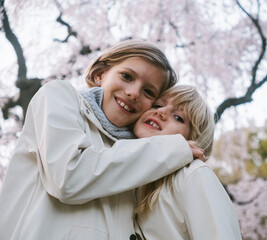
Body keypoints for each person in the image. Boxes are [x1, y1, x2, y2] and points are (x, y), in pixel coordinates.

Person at [0, 40, 204, 240]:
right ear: (100, 75)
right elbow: (68, 178)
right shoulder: (60, 96)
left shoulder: (141, 158)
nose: (133, 93)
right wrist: (169, 150)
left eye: (148, 92)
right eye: (126, 76)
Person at [132, 85, 242, 239]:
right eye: (157, 105)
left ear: (192, 140)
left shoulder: (193, 174)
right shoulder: (131, 175)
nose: (161, 112)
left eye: (178, 117)